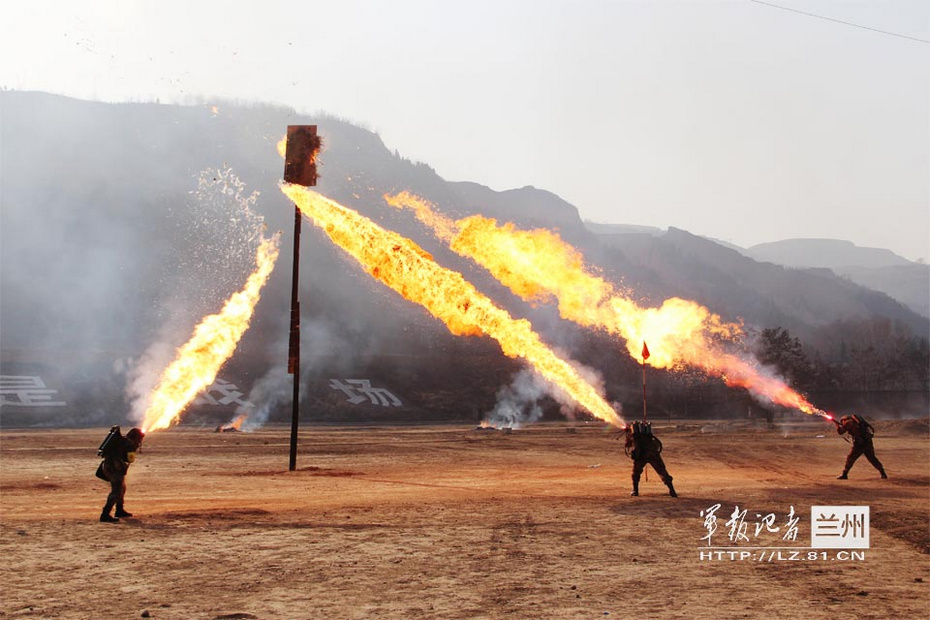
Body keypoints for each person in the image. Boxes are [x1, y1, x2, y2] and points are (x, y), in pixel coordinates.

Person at [98, 426, 145, 523]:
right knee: (116, 491)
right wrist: (135, 447)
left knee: (121, 488)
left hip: (110, 467)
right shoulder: (129, 443)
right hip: (115, 468)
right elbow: (130, 459)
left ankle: (119, 510)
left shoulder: (122, 440)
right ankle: (105, 515)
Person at [624, 421, 677, 497]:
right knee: (662, 472)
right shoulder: (646, 436)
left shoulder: (634, 436)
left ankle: (635, 491)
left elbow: (629, 445)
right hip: (653, 454)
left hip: (642, 455)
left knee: (636, 473)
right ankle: (672, 491)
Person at [835, 414, 887, 479]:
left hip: (859, 443)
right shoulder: (855, 422)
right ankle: (883, 473)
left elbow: (840, 432)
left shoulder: (848, 422)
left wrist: (836, 425)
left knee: (850, 458)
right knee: (872, 458)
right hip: (867, 441)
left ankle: (844, 474)